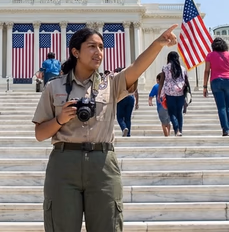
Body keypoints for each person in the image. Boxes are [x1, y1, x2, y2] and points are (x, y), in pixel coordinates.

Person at [32, 24, 178, 232]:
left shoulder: (110, 84)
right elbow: (39, 134)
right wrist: (60, 119)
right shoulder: (54, 87)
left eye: (101, 47)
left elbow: (136, 67)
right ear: (75, 52)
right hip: (64, 164)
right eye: (92, 46)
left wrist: (158, 44)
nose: (98, 52)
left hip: (102, 164)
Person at [203, 37, 229, 136]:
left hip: (216, 82)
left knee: (221, 107)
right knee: (227, 106)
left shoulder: (210, 55)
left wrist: (205, 86)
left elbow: (207, 71)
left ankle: (225, 129)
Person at [158, 51, 188, 136]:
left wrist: (159, 93)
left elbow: (161, 82)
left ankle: (177, 129)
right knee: (179, 112)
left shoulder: (165, 68)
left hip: (170, 92)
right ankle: (180, 130)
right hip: (180, 92)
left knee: (172, 112)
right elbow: (186, 81)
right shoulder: (182, 68)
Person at [115, 68, 138, 137]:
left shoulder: (119, 80)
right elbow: (136, 91)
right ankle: (128, 133)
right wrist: (137, 102)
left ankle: (124, 127)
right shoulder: (132, 79)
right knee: (128, 118)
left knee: (120, 117)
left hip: (122, 97)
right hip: (131, 97)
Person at [148, 73, 171, 137]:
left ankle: (166, 135)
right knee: (168, 122)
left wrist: (150, 101)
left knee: (163, 122)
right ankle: (168, 133)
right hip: (169, 106)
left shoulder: (156, 86)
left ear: (158, 80)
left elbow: (151, 96)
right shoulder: (168, 86)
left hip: (161, 106)